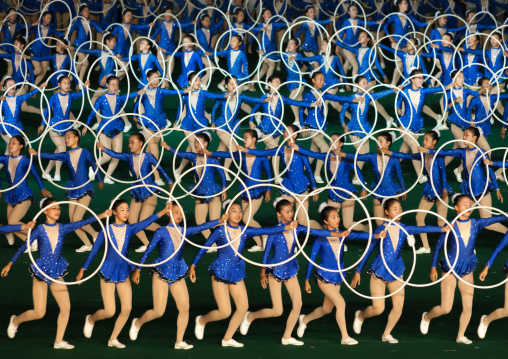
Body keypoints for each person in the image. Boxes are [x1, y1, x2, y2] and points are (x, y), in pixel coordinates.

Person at [2, 198, 110, 349]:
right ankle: (15, 321)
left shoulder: (63, 227)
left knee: (66, 307)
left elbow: (82, 222)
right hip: (41, 271)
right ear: (45, 211)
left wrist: (102, 215)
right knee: (39, 313)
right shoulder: (39, 229)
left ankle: (58, 341)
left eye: (59, 208)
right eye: (54, 208)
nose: (58, 211)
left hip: (56, 271)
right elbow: (23, 247)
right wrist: (10, 263)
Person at [189, 200, 298, 347]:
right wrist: (193, 265)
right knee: (224, 311)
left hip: (235, 271)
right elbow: (204, 248)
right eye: (234, 210)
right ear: (227, 214)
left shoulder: (245, 230)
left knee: (243, 307)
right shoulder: (219, 230)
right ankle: (201, 320)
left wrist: (286, 226)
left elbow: (266, 231)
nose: (238, 213)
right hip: (220, 270)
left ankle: (227, 338)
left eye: (240, 210)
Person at [351, 198, 448, 343]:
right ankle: (361, 316)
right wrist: (358, 271)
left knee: (398, 306)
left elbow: (423, 229)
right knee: (378, 309)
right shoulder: (381, 229)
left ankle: (387, 333)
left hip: (396, 269)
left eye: (400, 208)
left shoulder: (405, 228)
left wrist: (442, 229)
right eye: (395, 208)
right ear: (387, 212)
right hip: (380, 269)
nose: (399, 211)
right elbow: (368, 250)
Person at [76, 201, 171, 348]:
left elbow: (146, 222)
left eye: (127, 210)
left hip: (123, 270)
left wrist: (164, 211)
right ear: (114, 212)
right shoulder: (106, 230)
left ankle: (113, 338)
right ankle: (91, 319)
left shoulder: (129, 229)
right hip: (108, 270)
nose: (126, 213)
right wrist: (83, 269)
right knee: (109, 311)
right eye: (122, 210)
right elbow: (94, 251)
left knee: (127, 308)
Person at [421, 194, 508, 344]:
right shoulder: (450, 225)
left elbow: (499, 218)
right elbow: (438, 247)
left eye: (470, 204)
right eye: (464, 204)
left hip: (467, 268)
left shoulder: (476, 223)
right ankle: (427, 316)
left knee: (468, 306)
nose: (468, 206)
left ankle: (460, 335)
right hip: (450, 268)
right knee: (446, 308)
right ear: (456, 207)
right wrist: (433, 267)